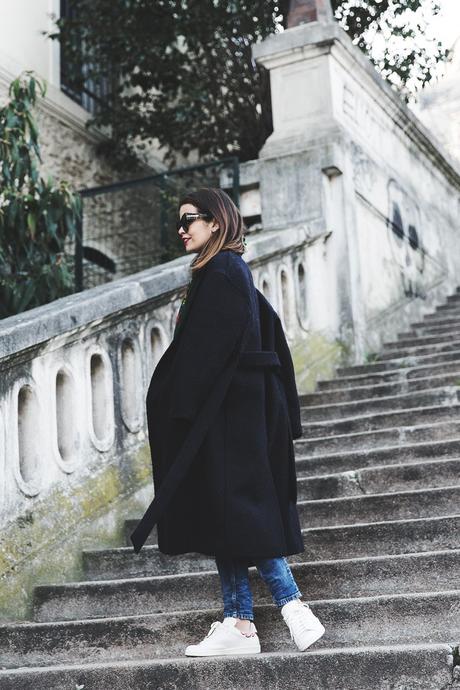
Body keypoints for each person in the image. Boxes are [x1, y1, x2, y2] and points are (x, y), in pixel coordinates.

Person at [130, 187, 325, 656]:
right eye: (178, 222)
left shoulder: (222, 272)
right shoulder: (226, 272)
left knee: (241, 512)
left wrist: (180, 408)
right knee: (228, 515)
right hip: (233, 415)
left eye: (190, 219)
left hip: (230, 419)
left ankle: (294, 606)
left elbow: (208, 354)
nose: (182, 229)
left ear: (216, 221)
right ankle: (238, 624)